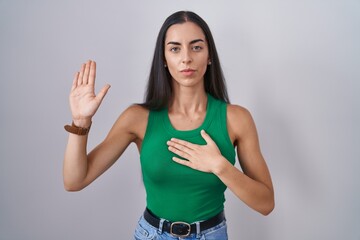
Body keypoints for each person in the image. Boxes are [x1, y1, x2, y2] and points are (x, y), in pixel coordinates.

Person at [63, 11, 274, 240]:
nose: (186, 58)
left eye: (196, 47)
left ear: (209, 55)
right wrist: (81, 122)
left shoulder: (236, 119)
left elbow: (266, 203)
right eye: (175, 48)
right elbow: (75, 181)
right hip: (151, 234)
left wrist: (220, 166)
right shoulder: (137, 118)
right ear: (163, 58)